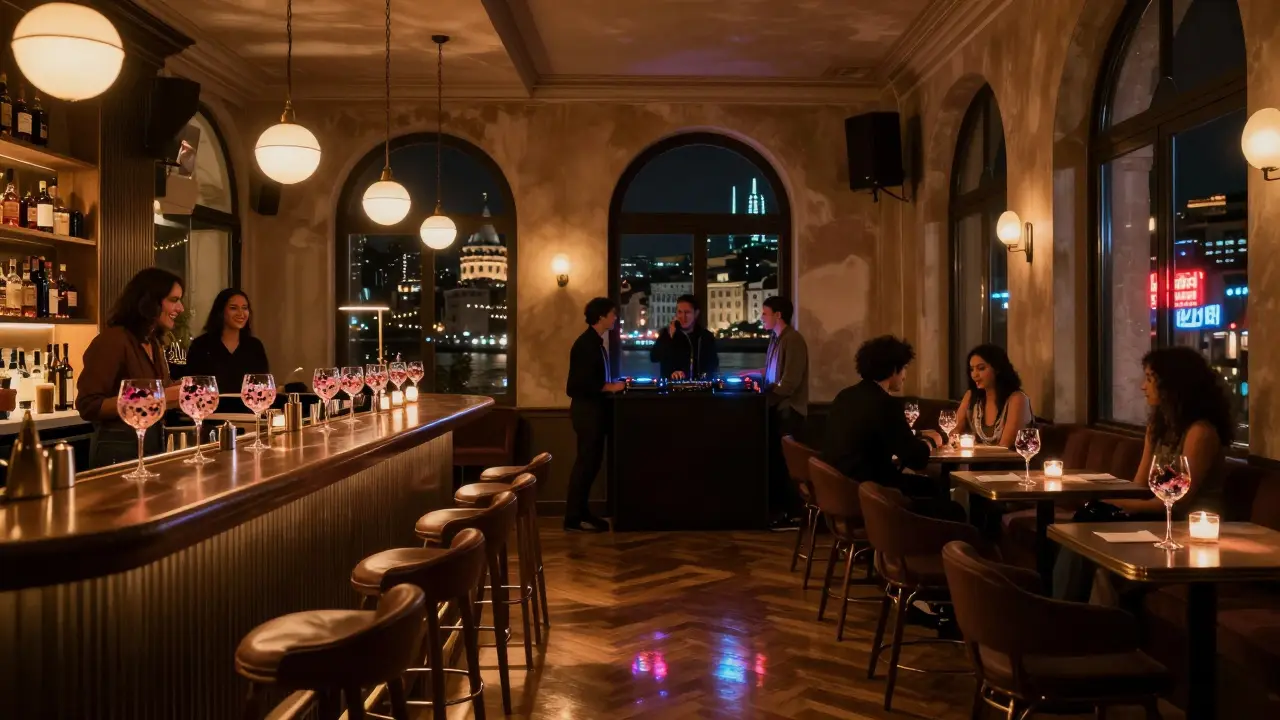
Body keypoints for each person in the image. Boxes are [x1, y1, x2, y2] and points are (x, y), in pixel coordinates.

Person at [1054, 346, 1231, 601]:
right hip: (1156, 517)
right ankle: (1065, 614)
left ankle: (1074, 619)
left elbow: (1174, 502)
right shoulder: (1157, 426)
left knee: (1088, 525)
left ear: (1173, 384)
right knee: (1082, 526)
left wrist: (1111, 502)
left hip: (1185, 528)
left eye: (1149, 378)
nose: (1142, 386)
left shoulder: (1200, 433)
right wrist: (1108, 501)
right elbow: (1139, 485)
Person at [821, 335, 964, 521]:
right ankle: (934, 545)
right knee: (950, 505)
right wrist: (930, 440)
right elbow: (916, 459)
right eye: (904, 368)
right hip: (874, 494)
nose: (904, 376)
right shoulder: (884, 404)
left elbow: (879, 434)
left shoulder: (845, 396)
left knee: (929, 488)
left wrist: (919, 435)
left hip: (842, 492)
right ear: (893, 370)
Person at [77, 268, 185, 468]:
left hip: (151, 449)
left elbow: (159, 393)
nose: (181, 308)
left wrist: (184, 390)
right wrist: (161, 396)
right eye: (174, 300)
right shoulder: (112, 341)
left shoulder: (153, 343)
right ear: (150, 301)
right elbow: (89, 405)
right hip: (118, 453)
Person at [564, 297, 626, 532]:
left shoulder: (595, 342)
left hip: (594, 414)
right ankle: (573, 518)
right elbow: (574, 386)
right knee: (585, 465)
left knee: (590, 465)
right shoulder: (585, 345)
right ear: (601, 316)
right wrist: (608, 387)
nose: (615, 318)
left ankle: (581, 513)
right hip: (587, 414)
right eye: (612, 313)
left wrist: (610, 384)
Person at [758, 296, 810, 530]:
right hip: (779, 410)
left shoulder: (794, 340)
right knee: (778, 463)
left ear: (778, 315)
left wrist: (766, 401)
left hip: (790, 412)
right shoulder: (776, 339)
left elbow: (789, 383)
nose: (762, 317)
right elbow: (771, 374)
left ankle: (795, 515)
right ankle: (783, 513)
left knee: (789, 465)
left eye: (765, 313)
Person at [185, 288, 270, 398]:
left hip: (248, 413)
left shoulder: (255, 346)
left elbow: (263, 387)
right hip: (211, 412)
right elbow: (192, 388)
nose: (241, 313)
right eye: (233, 308)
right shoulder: (200, 345)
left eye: (245, 308)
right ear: (220, 311)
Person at [952, 344, 1033, 447]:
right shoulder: (971, 396)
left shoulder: (1017, 399)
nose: (974, 375)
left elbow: (1005, 446)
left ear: (997, 369)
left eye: (981, 368)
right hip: (977, 460)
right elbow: (956, 430)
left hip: (1008, 461)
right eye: (972, 369)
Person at [649, 294, 719, 380]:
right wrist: (670, 337)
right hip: (672, 387)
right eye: (680, 312)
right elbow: (654, 357)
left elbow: (713, 364)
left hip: (698, 387)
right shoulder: (666, 334)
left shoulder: (705, 336)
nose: (683, 317)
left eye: (687, 312)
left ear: (696, 313)